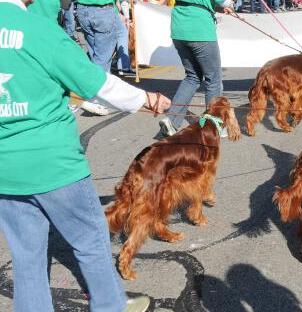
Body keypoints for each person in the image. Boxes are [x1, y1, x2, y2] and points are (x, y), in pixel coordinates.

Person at [0, 0, 171, 311]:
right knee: (90, 242)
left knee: (26, 257)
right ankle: (111, 305)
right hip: (54, 164)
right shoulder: (38, 31)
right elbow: (96, 83)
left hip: (5, 169)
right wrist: (147, 98)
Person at [158, 0, 234, 136]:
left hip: (179, 26)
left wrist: (218, 7)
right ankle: (214, 126)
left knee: (192, 77)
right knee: (213, 79)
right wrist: (228, 4)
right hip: (199, 27)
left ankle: (171, 119)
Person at [76, 0, 122, 116]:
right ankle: (95, 99)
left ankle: (101, 95)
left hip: (83, 9)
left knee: (96, 56)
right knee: (102, 58)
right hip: (102, 10)